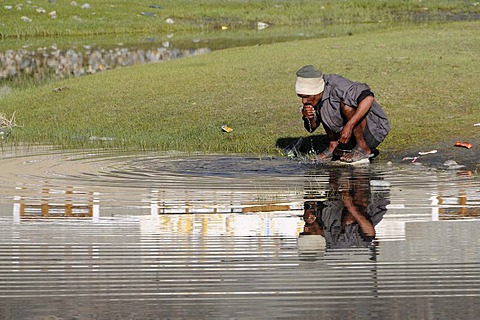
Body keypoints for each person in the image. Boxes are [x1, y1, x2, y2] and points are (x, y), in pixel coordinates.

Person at [295, 65, 390, 162]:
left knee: (347, 107)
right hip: (346, 137)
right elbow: (311, 128)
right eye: (301, 97)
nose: (304, 101)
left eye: (306, 96)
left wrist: (349, 125)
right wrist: (309, 117)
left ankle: (363, 148)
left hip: (373, 130)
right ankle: (333, 147)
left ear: (316, 91)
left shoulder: (337, 85)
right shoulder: (313, 97)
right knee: (325, 107)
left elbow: (368, 98)